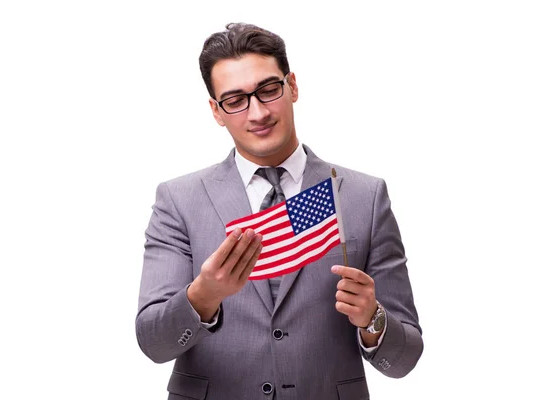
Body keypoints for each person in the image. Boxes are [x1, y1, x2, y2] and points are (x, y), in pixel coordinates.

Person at [136, 22, 423, 399]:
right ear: (216, 111)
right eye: (235, 100)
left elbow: (404, 359)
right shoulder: (178, 200)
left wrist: (373, 318)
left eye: (268, 90)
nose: (257, 113)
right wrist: (202, 296)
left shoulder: (363, 196)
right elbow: (154, 344)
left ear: (292, 86)